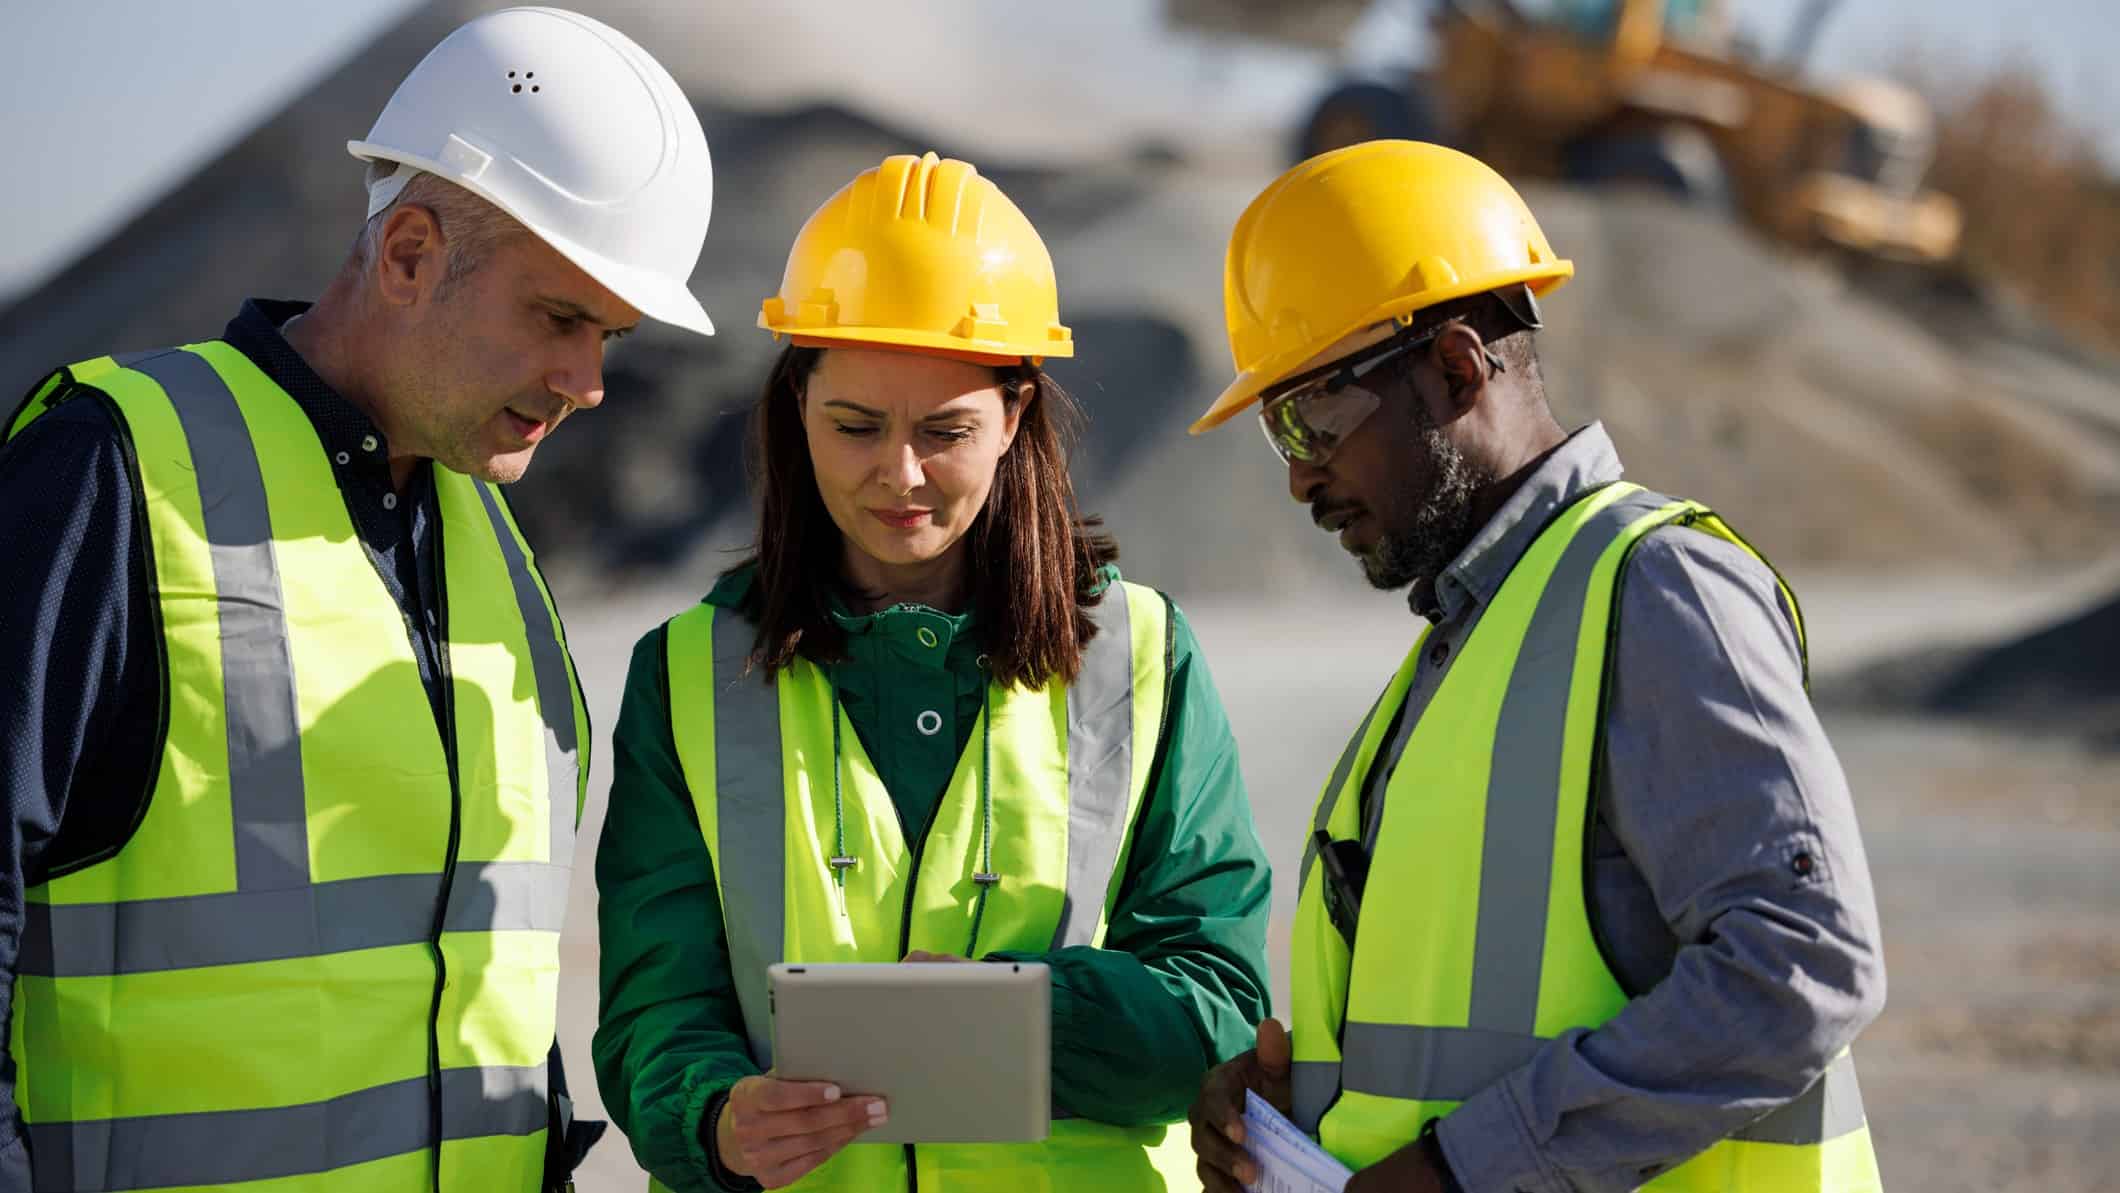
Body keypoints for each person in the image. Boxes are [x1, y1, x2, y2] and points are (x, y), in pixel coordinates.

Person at [0, 9, 716, 1190]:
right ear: (409, 255)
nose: (589, 384)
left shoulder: (488, 538)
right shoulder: (113, 470)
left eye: (611, 335)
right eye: (558, 317)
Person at [1185, 140, 1885, 1192]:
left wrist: (1467, 1169)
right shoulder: (1475, 634)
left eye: (1312, 418)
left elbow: (1801, 964)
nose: (1297, 477)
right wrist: (1302, 1102)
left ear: (1457, 365)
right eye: (1275, 434)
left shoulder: (1655, 589)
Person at [593, 151, 1273, 1193]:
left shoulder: (1140, 656)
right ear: (794, 405)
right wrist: (715, 1115)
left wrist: (1023, 1015)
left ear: (1014, 416)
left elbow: (1215, 1001)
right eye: (854, 426)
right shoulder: (685, 674)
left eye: (945, 430)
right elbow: (656, 1004)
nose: (897, 474)